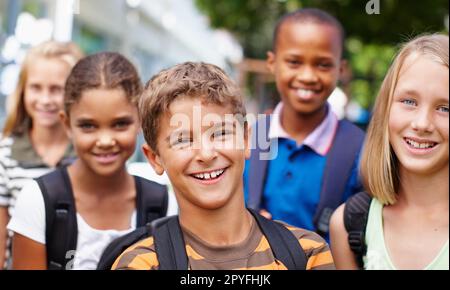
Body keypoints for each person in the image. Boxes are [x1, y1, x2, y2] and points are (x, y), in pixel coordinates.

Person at [112, 62, 334, 270]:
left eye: (221, 133)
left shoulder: (307, 253)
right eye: (182, 140)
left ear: (246, 140)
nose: (206, 154)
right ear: (155, 158)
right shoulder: (140, 264)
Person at [7, 52, 167, 270]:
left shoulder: (164, 205)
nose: (105, 140)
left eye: (120, 124)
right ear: (66, 124)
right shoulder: (38, 201)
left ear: (140, 119)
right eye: (88, 126)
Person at [330, 34, 449, 270]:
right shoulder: (349, 226)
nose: (422, 123)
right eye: (409, 101)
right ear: (385, 109)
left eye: (445, 108)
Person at [243, 8, 365, 240]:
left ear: (341, 69)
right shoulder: (250, 138)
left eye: (323, 65)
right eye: (294, 62)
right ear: (272, 62)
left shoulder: (360, 151)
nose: (308, 76)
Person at [0, 41, 83, 269]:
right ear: (23, 90)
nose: (45, 99)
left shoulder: (87, 152)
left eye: (56, 89)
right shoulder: (5, 153)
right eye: (36, 88)